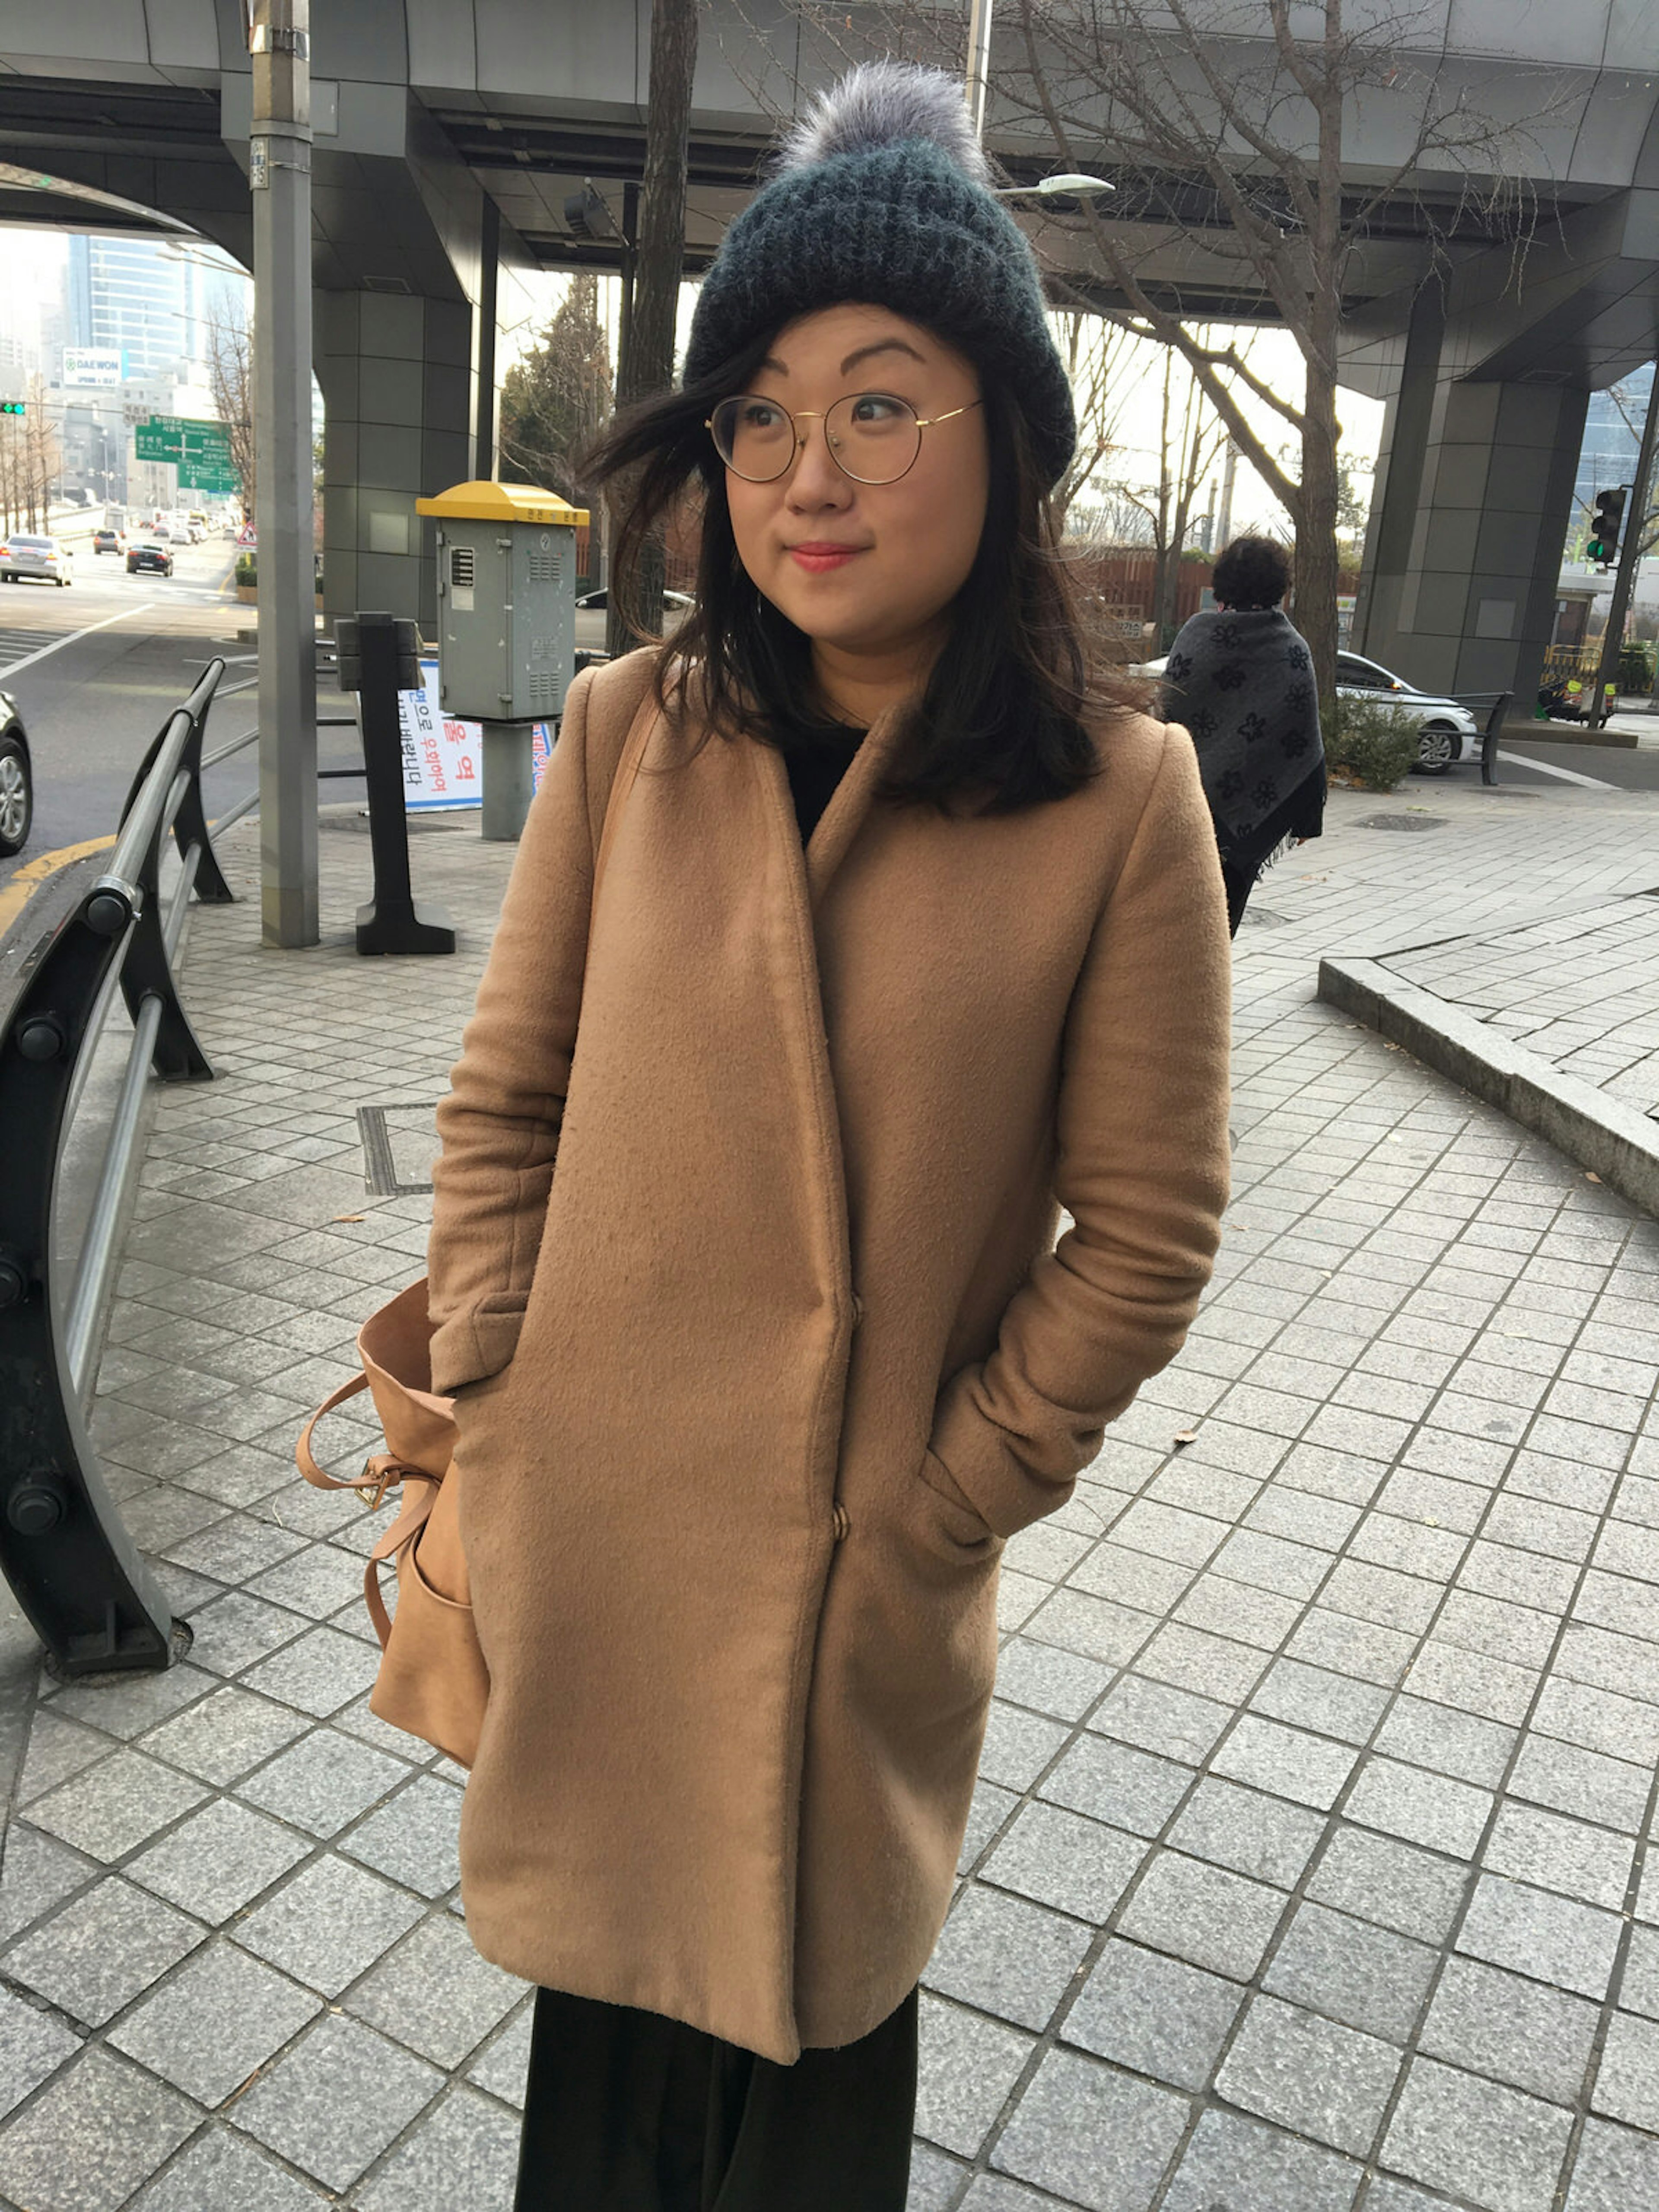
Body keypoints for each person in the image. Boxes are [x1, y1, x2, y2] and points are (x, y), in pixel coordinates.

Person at [423, 60, 1232, 2212]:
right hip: (600, 1558)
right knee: (598, 2092)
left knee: (801, 2095)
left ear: (1007, 443)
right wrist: (500, 1376)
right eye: (759, 413)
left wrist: (936, 1500)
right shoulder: (630, 735)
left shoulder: (1119, 797)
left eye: (884, 403)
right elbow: (507, 1097)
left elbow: (1148, 1234)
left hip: (840, 1598)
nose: (811, 471)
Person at [1160, 534, 1325, 933]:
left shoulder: (1196, 636)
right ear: (1279, 586)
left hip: (1179, 807)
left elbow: (1166, 718)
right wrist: (1306, 817)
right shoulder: (1292, 648)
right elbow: (1303, 735)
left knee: (1166, 919)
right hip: (1246, 820)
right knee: (1219, 924)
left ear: (1223, 583)